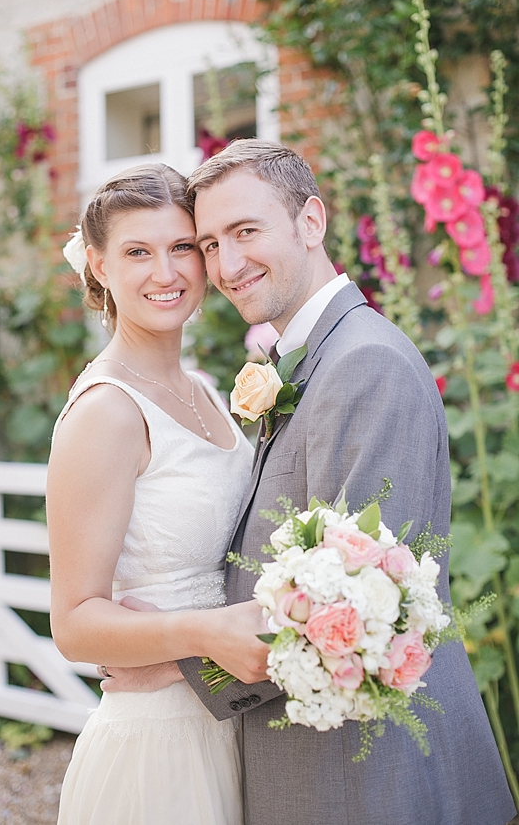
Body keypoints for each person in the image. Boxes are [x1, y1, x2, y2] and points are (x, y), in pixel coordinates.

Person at [103, 140, 516, 825]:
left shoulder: (365, 365)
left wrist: (178, 665)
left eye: (246, 232)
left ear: (312, 221)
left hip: (373, 782)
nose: (227, 266)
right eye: (209, 243)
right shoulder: (308, 359)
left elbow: (357, 613)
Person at [46, 163, 256, 825]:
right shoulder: (106, 412)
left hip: (228, 719)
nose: (165, 273)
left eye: (182, 248)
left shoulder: (203, 388)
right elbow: (75, 624)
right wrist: (201, 637)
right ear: (100, 266)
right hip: (158, 749)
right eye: (138, 252)